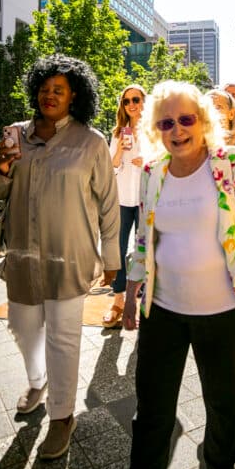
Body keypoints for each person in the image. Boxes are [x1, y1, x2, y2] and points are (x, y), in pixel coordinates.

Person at [122, 80, 235, 469]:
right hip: (162, 311)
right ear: (155, 129)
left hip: (223, 312)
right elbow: (144, 237)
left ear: (203, 120)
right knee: (152, 408)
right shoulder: (153, 171)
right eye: (166, 123)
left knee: (223, 406)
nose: (177, 130)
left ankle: (219, 467)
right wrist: (131, 293)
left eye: (185, 119)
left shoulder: (234, 163)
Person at [0, 54, 120, 460]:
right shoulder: (14, 135)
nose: (50, 96)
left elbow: (109, 204)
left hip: (71, 255)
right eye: (44, 89)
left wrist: (110, 255)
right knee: (24, 329)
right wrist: (3, 169)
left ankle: (62, 417)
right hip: (24, 255)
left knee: (64, 338)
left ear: (73, 96)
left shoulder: (91, 141)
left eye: (58, 90)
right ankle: (37, 379)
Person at [103, 84, 147, 328]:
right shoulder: (118, 131)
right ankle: (118, 300)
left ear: (144, 101)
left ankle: (142, 301)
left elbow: (166, 161)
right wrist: (119, 149)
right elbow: (112, 168)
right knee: (117, 251)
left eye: (136, 99)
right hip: (121, 199)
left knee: (144, 252)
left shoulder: (154, 130)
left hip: (144, 199)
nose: (131, 104)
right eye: (127, 101)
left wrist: (148, 160)